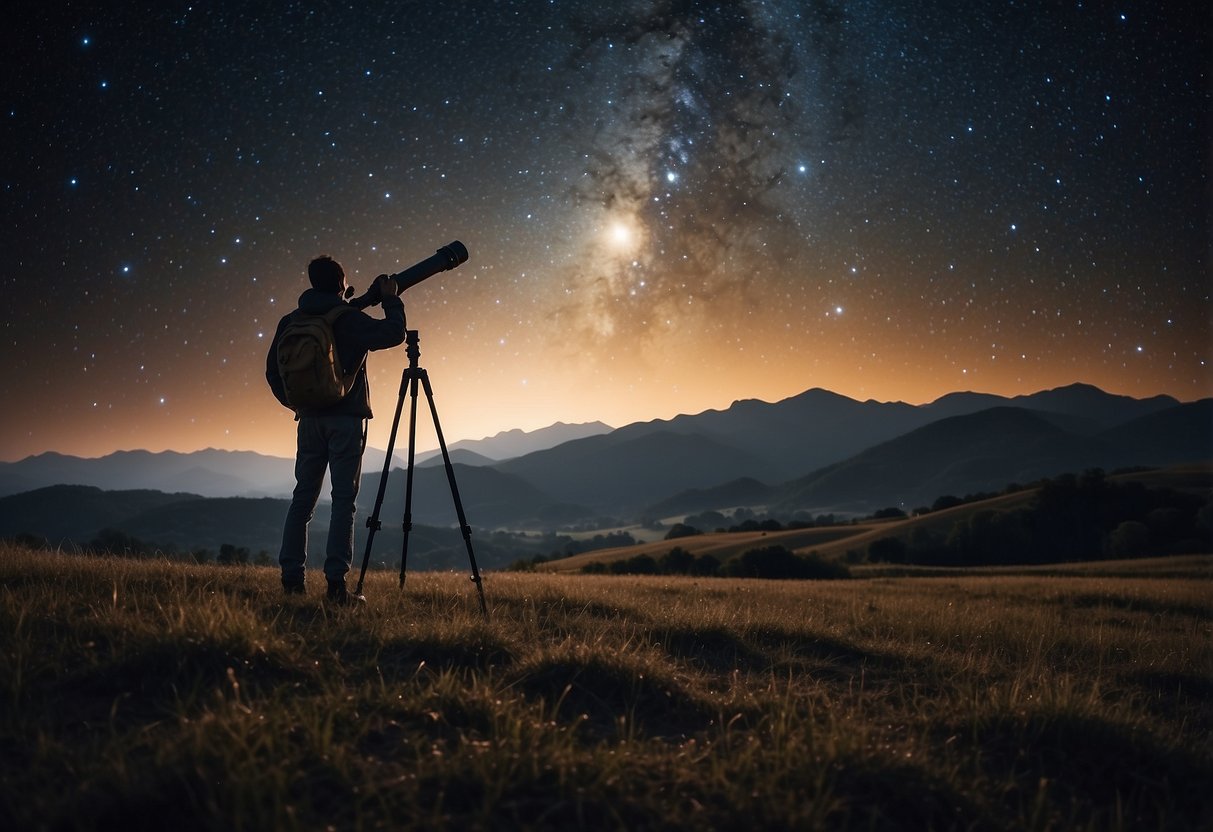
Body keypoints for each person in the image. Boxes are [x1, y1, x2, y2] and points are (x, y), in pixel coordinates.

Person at [266, 255, 405, 604]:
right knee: (343, 502)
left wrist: (298, 403)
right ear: (342, 282)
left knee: (303, 500)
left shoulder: (291, 320)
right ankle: (336, 588)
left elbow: (273, 372)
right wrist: (391, 298)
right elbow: (393, 334)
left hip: (308, 421)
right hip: (346, 420)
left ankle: (292, 582)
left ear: (313, 282)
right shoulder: (347, 318)